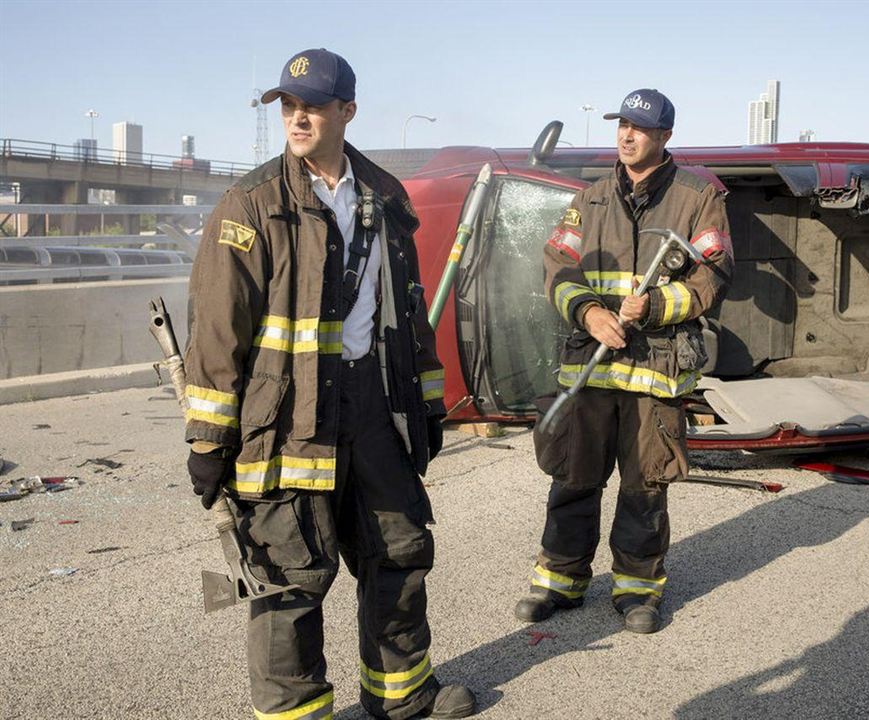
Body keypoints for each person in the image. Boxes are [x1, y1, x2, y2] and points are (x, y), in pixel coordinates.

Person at [183, 48, 475, 720]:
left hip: (372, 408)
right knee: (289, 577)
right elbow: (218, 334)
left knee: (398, 553)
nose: (297, 117)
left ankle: (401, 696)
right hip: (285, 418)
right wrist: (207, 439)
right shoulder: (249, 204)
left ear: (347, 110)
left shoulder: (384, 198)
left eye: (311, 104)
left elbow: (407, 314)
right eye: (288, 105)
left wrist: (426, 404)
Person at [516, 89, 734, 634]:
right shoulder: (589, 200)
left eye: (639, 127)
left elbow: (714, 273)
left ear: (663, 136)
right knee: (573, 476)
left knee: (644, 484)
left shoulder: (697, 198)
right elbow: (557, 266)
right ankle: (559, 582)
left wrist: (658, 305)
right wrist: (588, 311)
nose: (626, 135)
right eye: (622, 125)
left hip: (653, 370)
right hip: (588, 364)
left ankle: (637, 590)